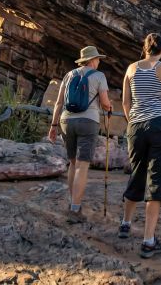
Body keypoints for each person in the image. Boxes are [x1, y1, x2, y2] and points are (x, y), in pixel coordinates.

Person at [118, 33, 161, 258]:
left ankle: (125, 223)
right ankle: (148, 241)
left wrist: (132, 121)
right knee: (156, 179)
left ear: (144, 48)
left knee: (137, 173)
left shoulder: (131, 69)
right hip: (160, 125)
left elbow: (126, 102)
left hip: (135, 127)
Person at [48, 45, 112, 223]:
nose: (99, 61)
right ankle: (75, 210)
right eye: (98, 59)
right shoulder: (99, 76)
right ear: (92, 60)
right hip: (88, 122)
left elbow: (59, 103)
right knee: (82, 166)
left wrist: (53, 125)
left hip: (66, 121)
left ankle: (72, 202)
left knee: (72, 163)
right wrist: (109, 108)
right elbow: (106, 103)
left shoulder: (69, 75)